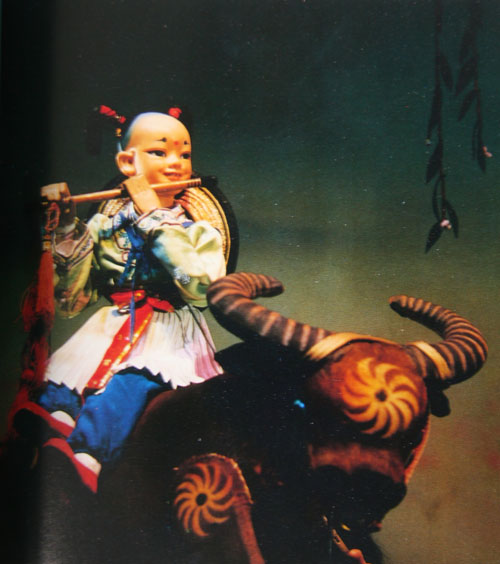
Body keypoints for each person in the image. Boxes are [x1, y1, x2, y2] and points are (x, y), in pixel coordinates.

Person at [18, 111, 226, 492]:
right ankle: (53, 428)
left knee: (128, 386)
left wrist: (154, 218)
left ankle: (86, 458)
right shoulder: (106, 225)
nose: (176, 163)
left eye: (184, 154)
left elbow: (199, 288)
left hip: (168, 336)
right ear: (128, 163)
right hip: (112, 324)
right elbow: (72, 301)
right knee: (64, 376)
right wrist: (67, 225)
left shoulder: (198, 231)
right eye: (160, 152)